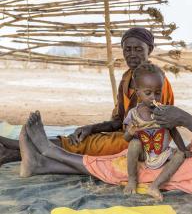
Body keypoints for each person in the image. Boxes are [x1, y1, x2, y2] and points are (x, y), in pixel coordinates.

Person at [19, 18, 192, 197]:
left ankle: (49, 151)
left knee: (142, 169)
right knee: (134, 158)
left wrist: (185, 120)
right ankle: (42, 163)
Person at [0, 27, 174, 166]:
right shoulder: (127, 78)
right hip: (127, 135)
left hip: (144, 142)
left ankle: (13, 149)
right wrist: (91, 127)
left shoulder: (157, 81)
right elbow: (118, 120)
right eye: (127, 49)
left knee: (87, 145)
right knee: (84, 138)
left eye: (138, 49)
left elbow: (156, 126)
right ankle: (10, 152)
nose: (132, 54)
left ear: (149, 49)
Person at [122, 62, 192, 201]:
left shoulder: (164, 112)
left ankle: (155, 186)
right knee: (135, 144)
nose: (153, 97)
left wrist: (183, 149)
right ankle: (132, 179)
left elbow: (174, 132)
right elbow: (126, 139)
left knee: (179, 156)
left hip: (163, 153)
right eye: (148, 93)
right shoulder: (133, 114)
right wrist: (130, 133)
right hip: (144, 153)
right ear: (138, 93)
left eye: (158, 92)